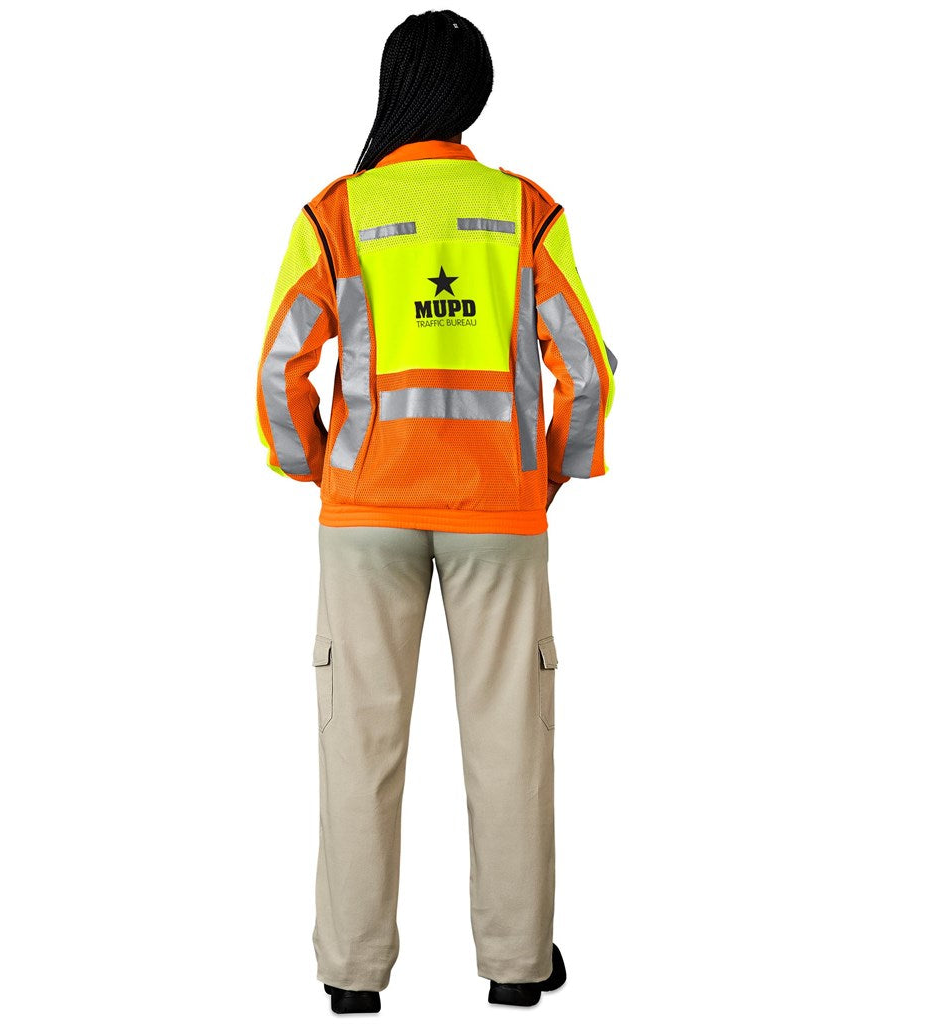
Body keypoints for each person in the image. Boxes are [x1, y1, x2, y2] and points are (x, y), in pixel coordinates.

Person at [255, 10, 616, 1014]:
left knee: (358, 746)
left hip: (363, 514)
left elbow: (279, 366)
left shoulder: (338, 213)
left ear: (395, 87)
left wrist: (317, 467)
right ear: (475, 94)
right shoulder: (525, 211)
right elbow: (586, 370)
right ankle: (516, 965)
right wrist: (552, 470)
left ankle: (352, 975)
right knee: (509, 743)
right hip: (500, 517)